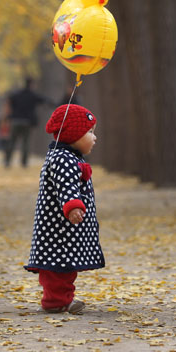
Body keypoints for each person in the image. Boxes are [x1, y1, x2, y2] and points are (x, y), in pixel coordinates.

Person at [24, 104, 104, 314]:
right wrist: (72, 207)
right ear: (73, 134)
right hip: (59, 228)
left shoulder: (67, 156)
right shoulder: (63, 159)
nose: (94, 138)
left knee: (64, 266)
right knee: (58, 267)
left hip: (61, 228)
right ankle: (56, 301)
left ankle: (61, 299)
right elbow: (66, 185)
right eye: (89, 132)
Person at [4, 78, 49, 168]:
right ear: (31, 84)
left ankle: (7, 161)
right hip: (27, 122)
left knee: (12, 141)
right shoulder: (33, 95)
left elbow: (9, 100)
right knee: (26, 143)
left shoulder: (17, 94)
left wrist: (8, 115)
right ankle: (24, 163)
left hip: (15, 121)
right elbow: (44, 100)